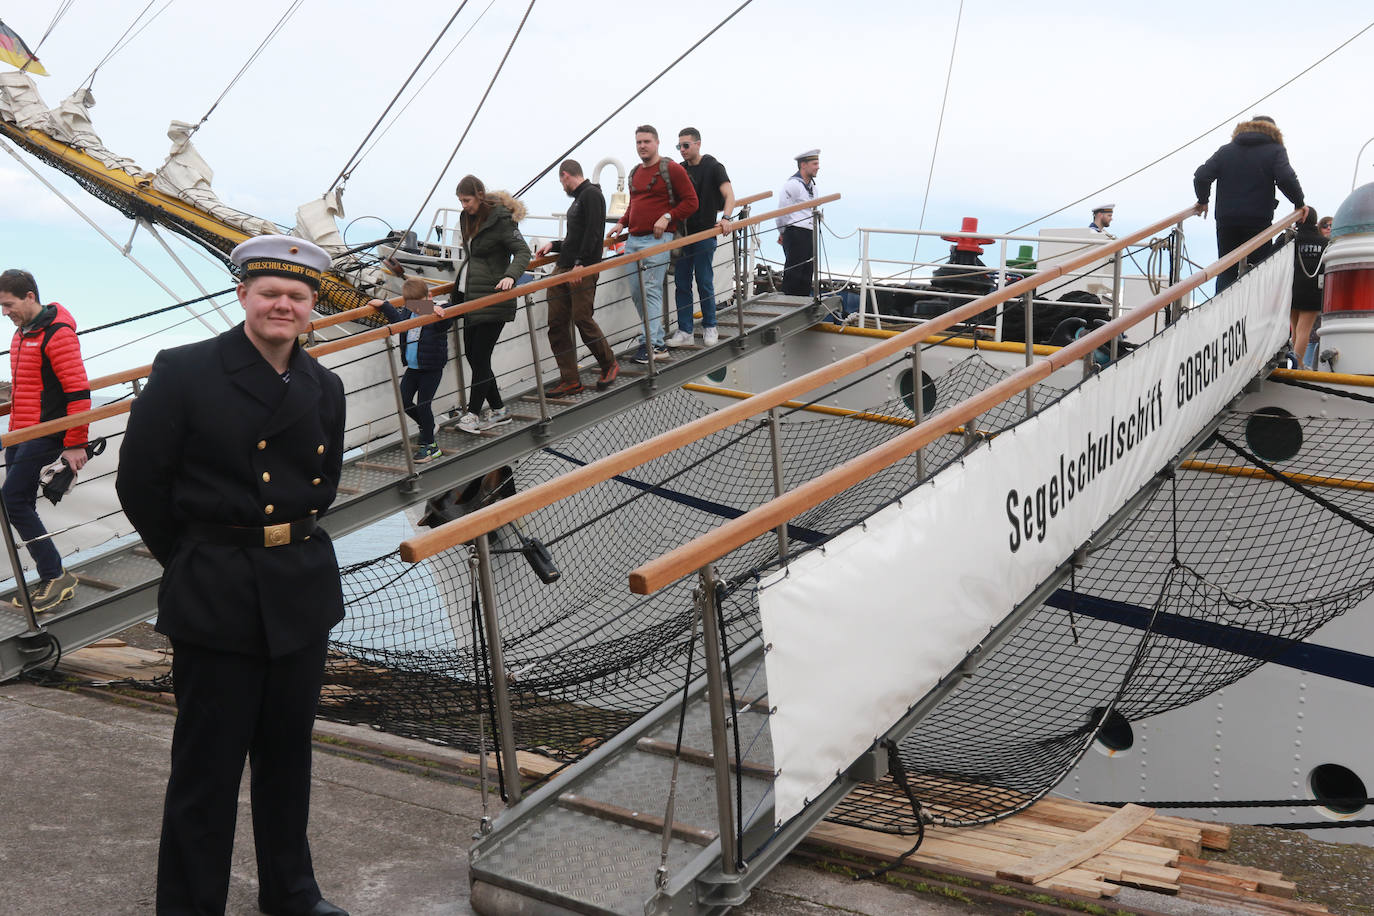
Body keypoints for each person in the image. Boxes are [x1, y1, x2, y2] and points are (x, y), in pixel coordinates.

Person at [115, 235, 350, 916]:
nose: (283, 304)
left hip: (299, 586)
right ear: (244, 295)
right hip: (217, 586)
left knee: (287, 756)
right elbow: (142, 483)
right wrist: (198, 556)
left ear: (310, 310)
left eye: (297, 296)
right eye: (270, 292)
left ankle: (293, 893)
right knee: (207, 769)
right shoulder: (186, 371)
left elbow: (323, 483)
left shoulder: (324, 386)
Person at [0, 268, 90, 614]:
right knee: (17, 501)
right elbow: (25, 388)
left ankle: (55, 574)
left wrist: (76, 443)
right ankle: (49, 574)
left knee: (12, 500)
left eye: (9, 305)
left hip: (48, 431)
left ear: (30, 297)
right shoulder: (22, 333)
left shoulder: (58, 334)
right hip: (20, 431)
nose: (5, 313)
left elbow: (79, 392)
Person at [607, 124, 698, 364]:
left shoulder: (672, 169)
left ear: (657, 143)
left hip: (658, 240)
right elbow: (634, 203)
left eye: (646, 141)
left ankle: (652, 345)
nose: (642, 146)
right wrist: (622, 223)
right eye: (638, 142)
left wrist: (667, 217)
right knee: (638, 293)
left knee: (651, 290)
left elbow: (691, 202)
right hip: (634, 240)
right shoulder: (636, 172)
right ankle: (656, 342)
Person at [451, 174, 531, 433]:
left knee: (481, 356)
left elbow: (523, 252)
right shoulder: (466, 219)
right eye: (461, 201)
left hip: (495, 298)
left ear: (479, 196)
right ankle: (499, 409)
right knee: (472, 355)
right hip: (471, 297)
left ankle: (473, 414)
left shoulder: (501, 220)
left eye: (467, 200)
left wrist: (510, 275)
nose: (464, 205)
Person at [1193, 115, 1305, 293]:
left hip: (1227, 220)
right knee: (1257, 268)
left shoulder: (1226, 150)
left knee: (1226, 268)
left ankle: (1222, 316)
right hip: (1258, 220)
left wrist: (1203, 200)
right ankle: (1250, 316)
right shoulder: (1275, 150)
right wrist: (1299, 203)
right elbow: (1286, 178)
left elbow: (1201, 176)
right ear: (1274, 132)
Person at [534, 159, 618, 395]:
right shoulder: (580, 199)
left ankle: (608, 363)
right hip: (564, 267)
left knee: (582, 318)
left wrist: (580, 265)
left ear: (566, 176)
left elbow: (593, 233)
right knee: (557, 325)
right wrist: (554, 244)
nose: (562, 187)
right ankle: (570, 379)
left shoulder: (591, 195)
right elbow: (575, 237)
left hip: (581, 269)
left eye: (561, 181)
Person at [666, 127, 735, 349]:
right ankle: (685, 329)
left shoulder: (714, 167)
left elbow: (729, 195)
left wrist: (725, 218)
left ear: (698, 144)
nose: (682, 150)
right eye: (679, 146)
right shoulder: (679, 169)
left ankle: (710, 325)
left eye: (686, 145)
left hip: (705, 232)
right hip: (683, 234)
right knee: (681, 282)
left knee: (704, 280)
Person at [369, 278, 452, 462]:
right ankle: (427, 426)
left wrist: (432, 309)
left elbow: (448, 317)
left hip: (431, 367)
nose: (414, 308)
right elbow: (398, 321)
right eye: (410, 304)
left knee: (423, 405)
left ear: (429, 297)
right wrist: (384, 305)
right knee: (404, 400)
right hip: (413, 367)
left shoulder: (437, 311)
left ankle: (431, 447)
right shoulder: (408, 311)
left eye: (418, 304)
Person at [776, 149, 821, 297]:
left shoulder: (812, 187)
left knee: (807, 272)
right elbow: (782, 211)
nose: (818, 167)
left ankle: (802, 302)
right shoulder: (793, 185)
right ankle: (789, 303)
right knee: (794, 272)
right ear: (803, 165)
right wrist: (782, 231)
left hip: (809, 232)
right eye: (814, 163)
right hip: (796, 230)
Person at [1291, 208, 1326, 370]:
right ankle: (1297, 364)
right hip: (1313, 290)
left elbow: (1272, 253)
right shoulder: (1324, 242)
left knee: (1296, 329)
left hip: (1292, 288)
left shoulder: (1291, 238)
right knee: (1304, 329)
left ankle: (1295, 362)